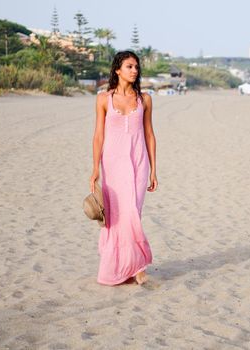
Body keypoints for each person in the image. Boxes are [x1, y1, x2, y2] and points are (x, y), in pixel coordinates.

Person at [90, 51, 158, 286]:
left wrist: (153, 169)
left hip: (138, 162)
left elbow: (149, 134)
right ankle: (126, 267)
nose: (135, 70)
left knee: (133, 213)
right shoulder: (103, 99)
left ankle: (136, 266)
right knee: (116, 217)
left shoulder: (145, 99)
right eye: (129, 66)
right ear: (117, 70)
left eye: (137, 67)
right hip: (113, 164)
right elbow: (98, 135)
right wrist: (95, 168)